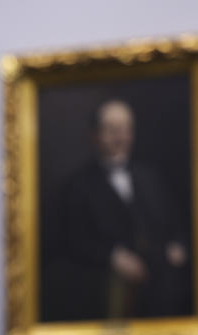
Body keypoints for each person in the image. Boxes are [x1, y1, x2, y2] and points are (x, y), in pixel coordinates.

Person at [50, 99, 190, 320]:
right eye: (112, 130)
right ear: (94, 135)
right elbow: (73, 242)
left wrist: (178, 247)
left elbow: (175, 225)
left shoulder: (150, 178)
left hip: (162, 291)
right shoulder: (77, 187)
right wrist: (112, 257)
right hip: (107, 294)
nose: (121, 138)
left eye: (126, 130)